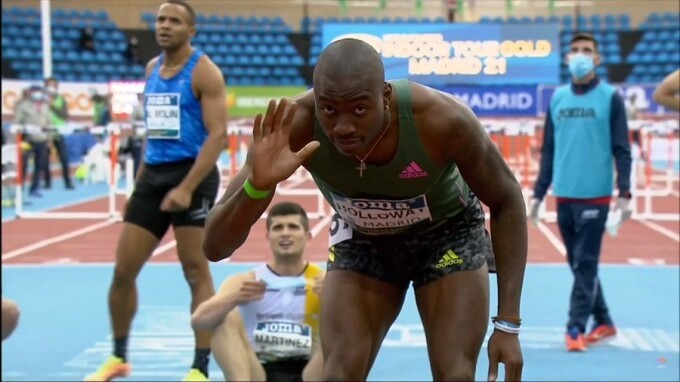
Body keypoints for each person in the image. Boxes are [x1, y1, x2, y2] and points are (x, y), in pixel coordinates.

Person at [203, 38, 527, 381]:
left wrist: (508, 323)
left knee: (456, 374)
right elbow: (215, 246)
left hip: (446, 237)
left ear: (385, 96)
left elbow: (507, 199)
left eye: (359, 109)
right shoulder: (293, 125)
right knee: (338, 374)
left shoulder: (441, 119)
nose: (342, 127)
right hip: (363, 238)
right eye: (328, 110)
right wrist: (259, 185)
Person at [85, 1, 227, 381]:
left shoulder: (205, 72)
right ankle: (118, 357)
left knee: (195, 272)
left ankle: (200, 367)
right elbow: (155, 133)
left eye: (175, 21)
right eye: (161, 19)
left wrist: (186, 188)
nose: (165, 26)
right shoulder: (151, 71)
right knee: (122, 271)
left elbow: (218, 137)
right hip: (154, 176)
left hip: (193, 175)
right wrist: (138, 185)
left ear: (191, 30)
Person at [529, 33, 632, 352]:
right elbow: (548, 149)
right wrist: (538, 194)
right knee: (578, 262)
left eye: (587, 51)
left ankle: (575, 326)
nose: (580, 55)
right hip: (565, 195)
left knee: (585, 262)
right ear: (566, 58)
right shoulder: (558, 99)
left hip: (596, 196)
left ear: (598, 59)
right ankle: (604, 320)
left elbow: (621, 148)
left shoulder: (610, 98)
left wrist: (625, 192)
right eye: (574, 51)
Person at [192, 202, 324, 381]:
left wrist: (333, 299)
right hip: (258, 372)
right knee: (223, 316)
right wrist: (234, 298)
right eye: (278, 228)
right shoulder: (246, 281)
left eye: (293, 227)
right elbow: (199, 321)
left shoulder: (322, 280)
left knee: (339, 317)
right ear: (268, 237)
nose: (285, 233)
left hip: (311, 372)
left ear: (307, 236)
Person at [44, 77, 74, 190]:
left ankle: (67, 181)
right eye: (49, 85)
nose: (52, 88)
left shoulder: (61, 100)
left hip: (59, 132)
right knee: (45, 159)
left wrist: (52, 105)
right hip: (46, 131)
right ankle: (47, 182)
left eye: (54, 85)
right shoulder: (41, 99)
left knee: (64, 158)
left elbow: (64, 115)